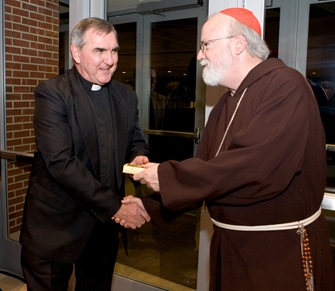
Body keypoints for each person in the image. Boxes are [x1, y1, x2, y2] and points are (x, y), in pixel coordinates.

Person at [122, 8, 335, 291]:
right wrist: (151, 208)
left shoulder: (286, 86)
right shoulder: (226, 103)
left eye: (205, 45)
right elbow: (210, 175)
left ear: (238, 44)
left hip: (274, 253)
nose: (199, 56)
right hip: (231, 246)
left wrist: (169, 176)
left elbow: (256, 168)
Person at [19, 17, 151, 291]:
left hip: (101, 228)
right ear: (76, 52)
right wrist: (117, 207)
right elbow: (61, 163)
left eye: (114, 50)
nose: (110, 60)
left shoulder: (126, 96)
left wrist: (139, 155)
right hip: (56, 226)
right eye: (99, 51)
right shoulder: (52, 94)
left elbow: (135, 139)